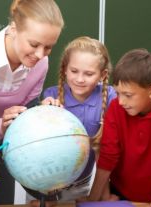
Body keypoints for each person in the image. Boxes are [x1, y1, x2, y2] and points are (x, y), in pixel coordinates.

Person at [0, 0, 64, 204]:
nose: (40, 54)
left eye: (48, 47)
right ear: (14, 28)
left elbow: (27, 108)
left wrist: (42, 112)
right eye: (34, 44)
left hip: (2, 151)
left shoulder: (40, 63)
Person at [83, 49, 151, 203]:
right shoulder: (115, 108)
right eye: (118, 93)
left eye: (128, 95)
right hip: (118, 192)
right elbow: (108, 156)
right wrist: (93, 199)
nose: (121, 101)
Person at [27, 36, 116, 206]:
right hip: (46, 186)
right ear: (65, 70)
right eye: (74, 71)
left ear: (102, 75)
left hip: (82, 185)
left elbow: (106, 152)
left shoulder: (111, 97)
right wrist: (42, 113)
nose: (80, 79)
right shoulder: (51, 96)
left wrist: (100, 195)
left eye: (89, 74)